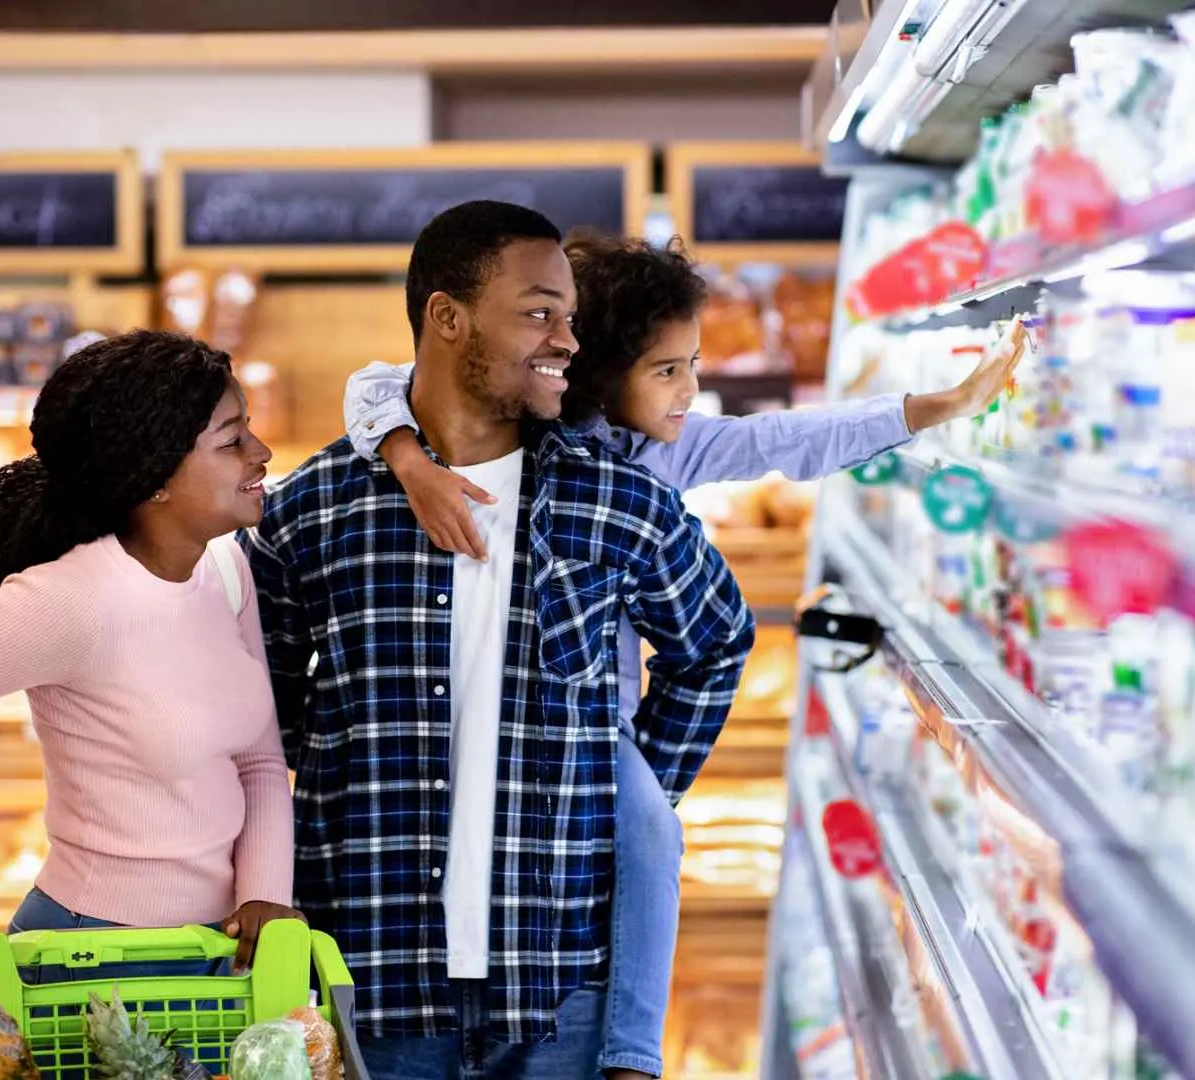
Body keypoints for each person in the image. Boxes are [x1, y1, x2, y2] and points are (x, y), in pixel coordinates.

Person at [343, 232, 1027, 1078]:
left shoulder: (666, 454)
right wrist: (407, 459)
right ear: (598, 367)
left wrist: (931, 407)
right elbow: (374, 387)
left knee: (649, 831)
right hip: (478, 722)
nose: (689, 389)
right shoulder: (519, 421)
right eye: (667, 370)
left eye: (691, 365)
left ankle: (631, 1051)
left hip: (596, 727)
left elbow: (782, 442)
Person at [244, 201, 754, 1078]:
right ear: (448, 317)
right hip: (371, 981)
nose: (566, 339)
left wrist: (628, 789)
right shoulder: (315, 510)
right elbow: (260, 710)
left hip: (557, 991)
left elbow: (713, 643)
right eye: (538, 313)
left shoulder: (616, 501)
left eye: (571, 317)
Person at [0, 329, 299, 983]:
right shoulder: (73, 600)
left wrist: (266, 900)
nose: (261, 453)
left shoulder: (224, 571)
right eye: (231, 441)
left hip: (218, 957)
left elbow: (259, 760)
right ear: (156, 476)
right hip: (93, 962)